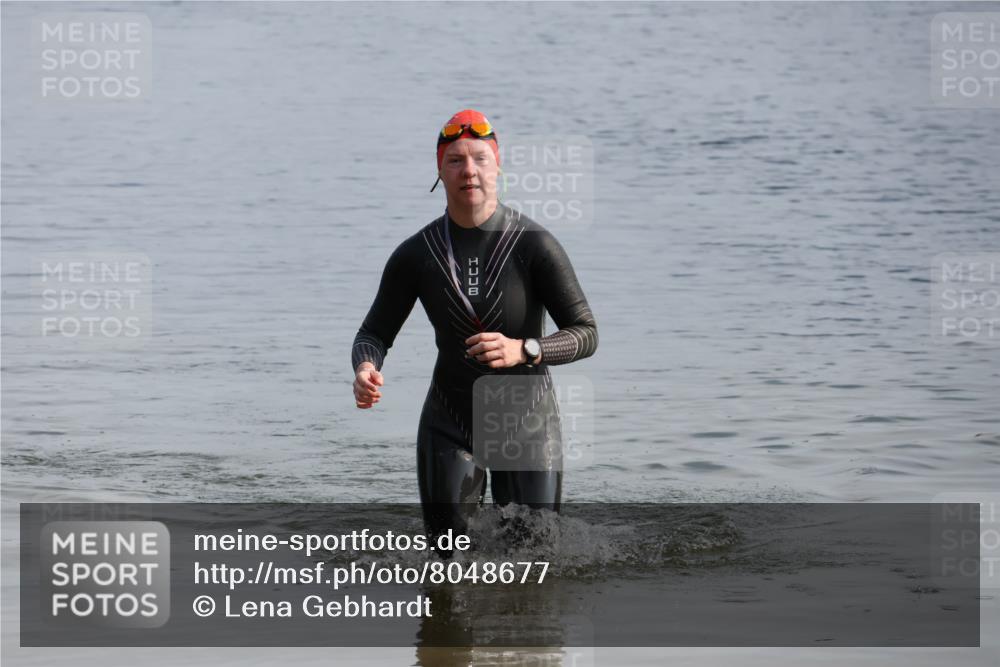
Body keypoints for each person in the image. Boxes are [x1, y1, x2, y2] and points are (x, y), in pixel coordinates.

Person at [351, 109, 597, 551]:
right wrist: (366, 367)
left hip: (527, 423)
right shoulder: (415, 254)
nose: (469, 170)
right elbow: (374, 332)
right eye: (456, 160)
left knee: (533, 565)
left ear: (497, 165)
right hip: (449, 422)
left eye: (480, 158)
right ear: (439, 171)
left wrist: (527, 349)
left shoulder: (535, 245)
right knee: (447, 565)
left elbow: (585, 332)